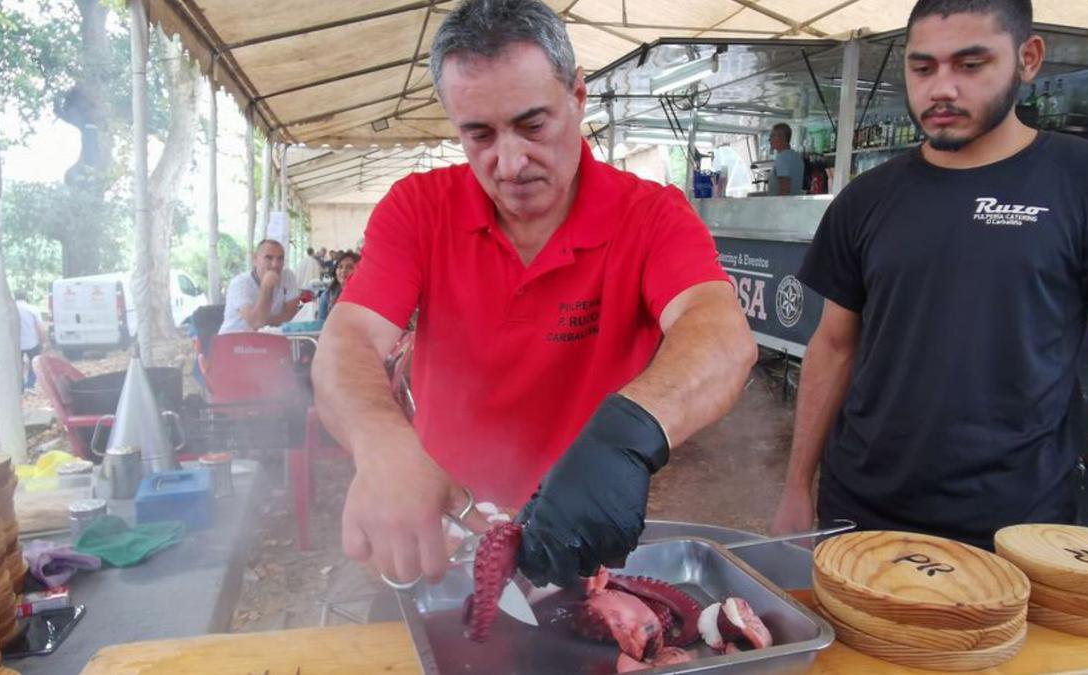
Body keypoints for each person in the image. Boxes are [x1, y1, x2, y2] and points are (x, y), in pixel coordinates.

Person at [313, 0, 757, 590]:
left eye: (532, 124)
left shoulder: (650, 216)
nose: (510, 162)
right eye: (480, 134)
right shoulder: (419, 209)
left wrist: (628, 439)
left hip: (584, 535)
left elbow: (721, 334)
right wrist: (380, 441)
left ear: (577, 97)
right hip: (448, 534)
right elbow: (349, 339)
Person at [770, 0, 1088, 550]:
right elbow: (832, 345)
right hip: (861, 508)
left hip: (1020, 522)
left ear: (1029, 58)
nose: (941, 88)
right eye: (923, 68)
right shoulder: (866, 200)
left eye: (971, 65)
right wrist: (797, 487)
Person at [219, 239, 302, 334]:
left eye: (280, 258)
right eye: (269, 258)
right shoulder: (240, 283)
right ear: (255, 259)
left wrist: (264, 323)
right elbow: (256, 322)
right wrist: (266, 287)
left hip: (268, 340)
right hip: (233, 342)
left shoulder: (287, 276)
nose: (275, 264)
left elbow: (291, 314)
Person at [14, 291, 45, 391]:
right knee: (34, 363)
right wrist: (43, 340)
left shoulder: (10, 309)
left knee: (18, 365)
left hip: (15, 344)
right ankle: (30, 385)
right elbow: (40, 327)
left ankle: (20, 386)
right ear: (26, 297)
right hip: (32, 341)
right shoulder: (33, 309)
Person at [317, 251, 359, 321]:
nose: (343, 270)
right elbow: (320, 327)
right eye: (340, 267)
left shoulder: (366, 297)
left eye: (350, 267)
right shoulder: (326, 296)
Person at [767, 123, 804, 196]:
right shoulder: (797, 157)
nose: (769, 139)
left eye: (772, 136)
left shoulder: (782, 158)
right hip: (794, 204)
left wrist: (779, 207)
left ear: (782, 137)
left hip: (782, 205)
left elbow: (785, 188)